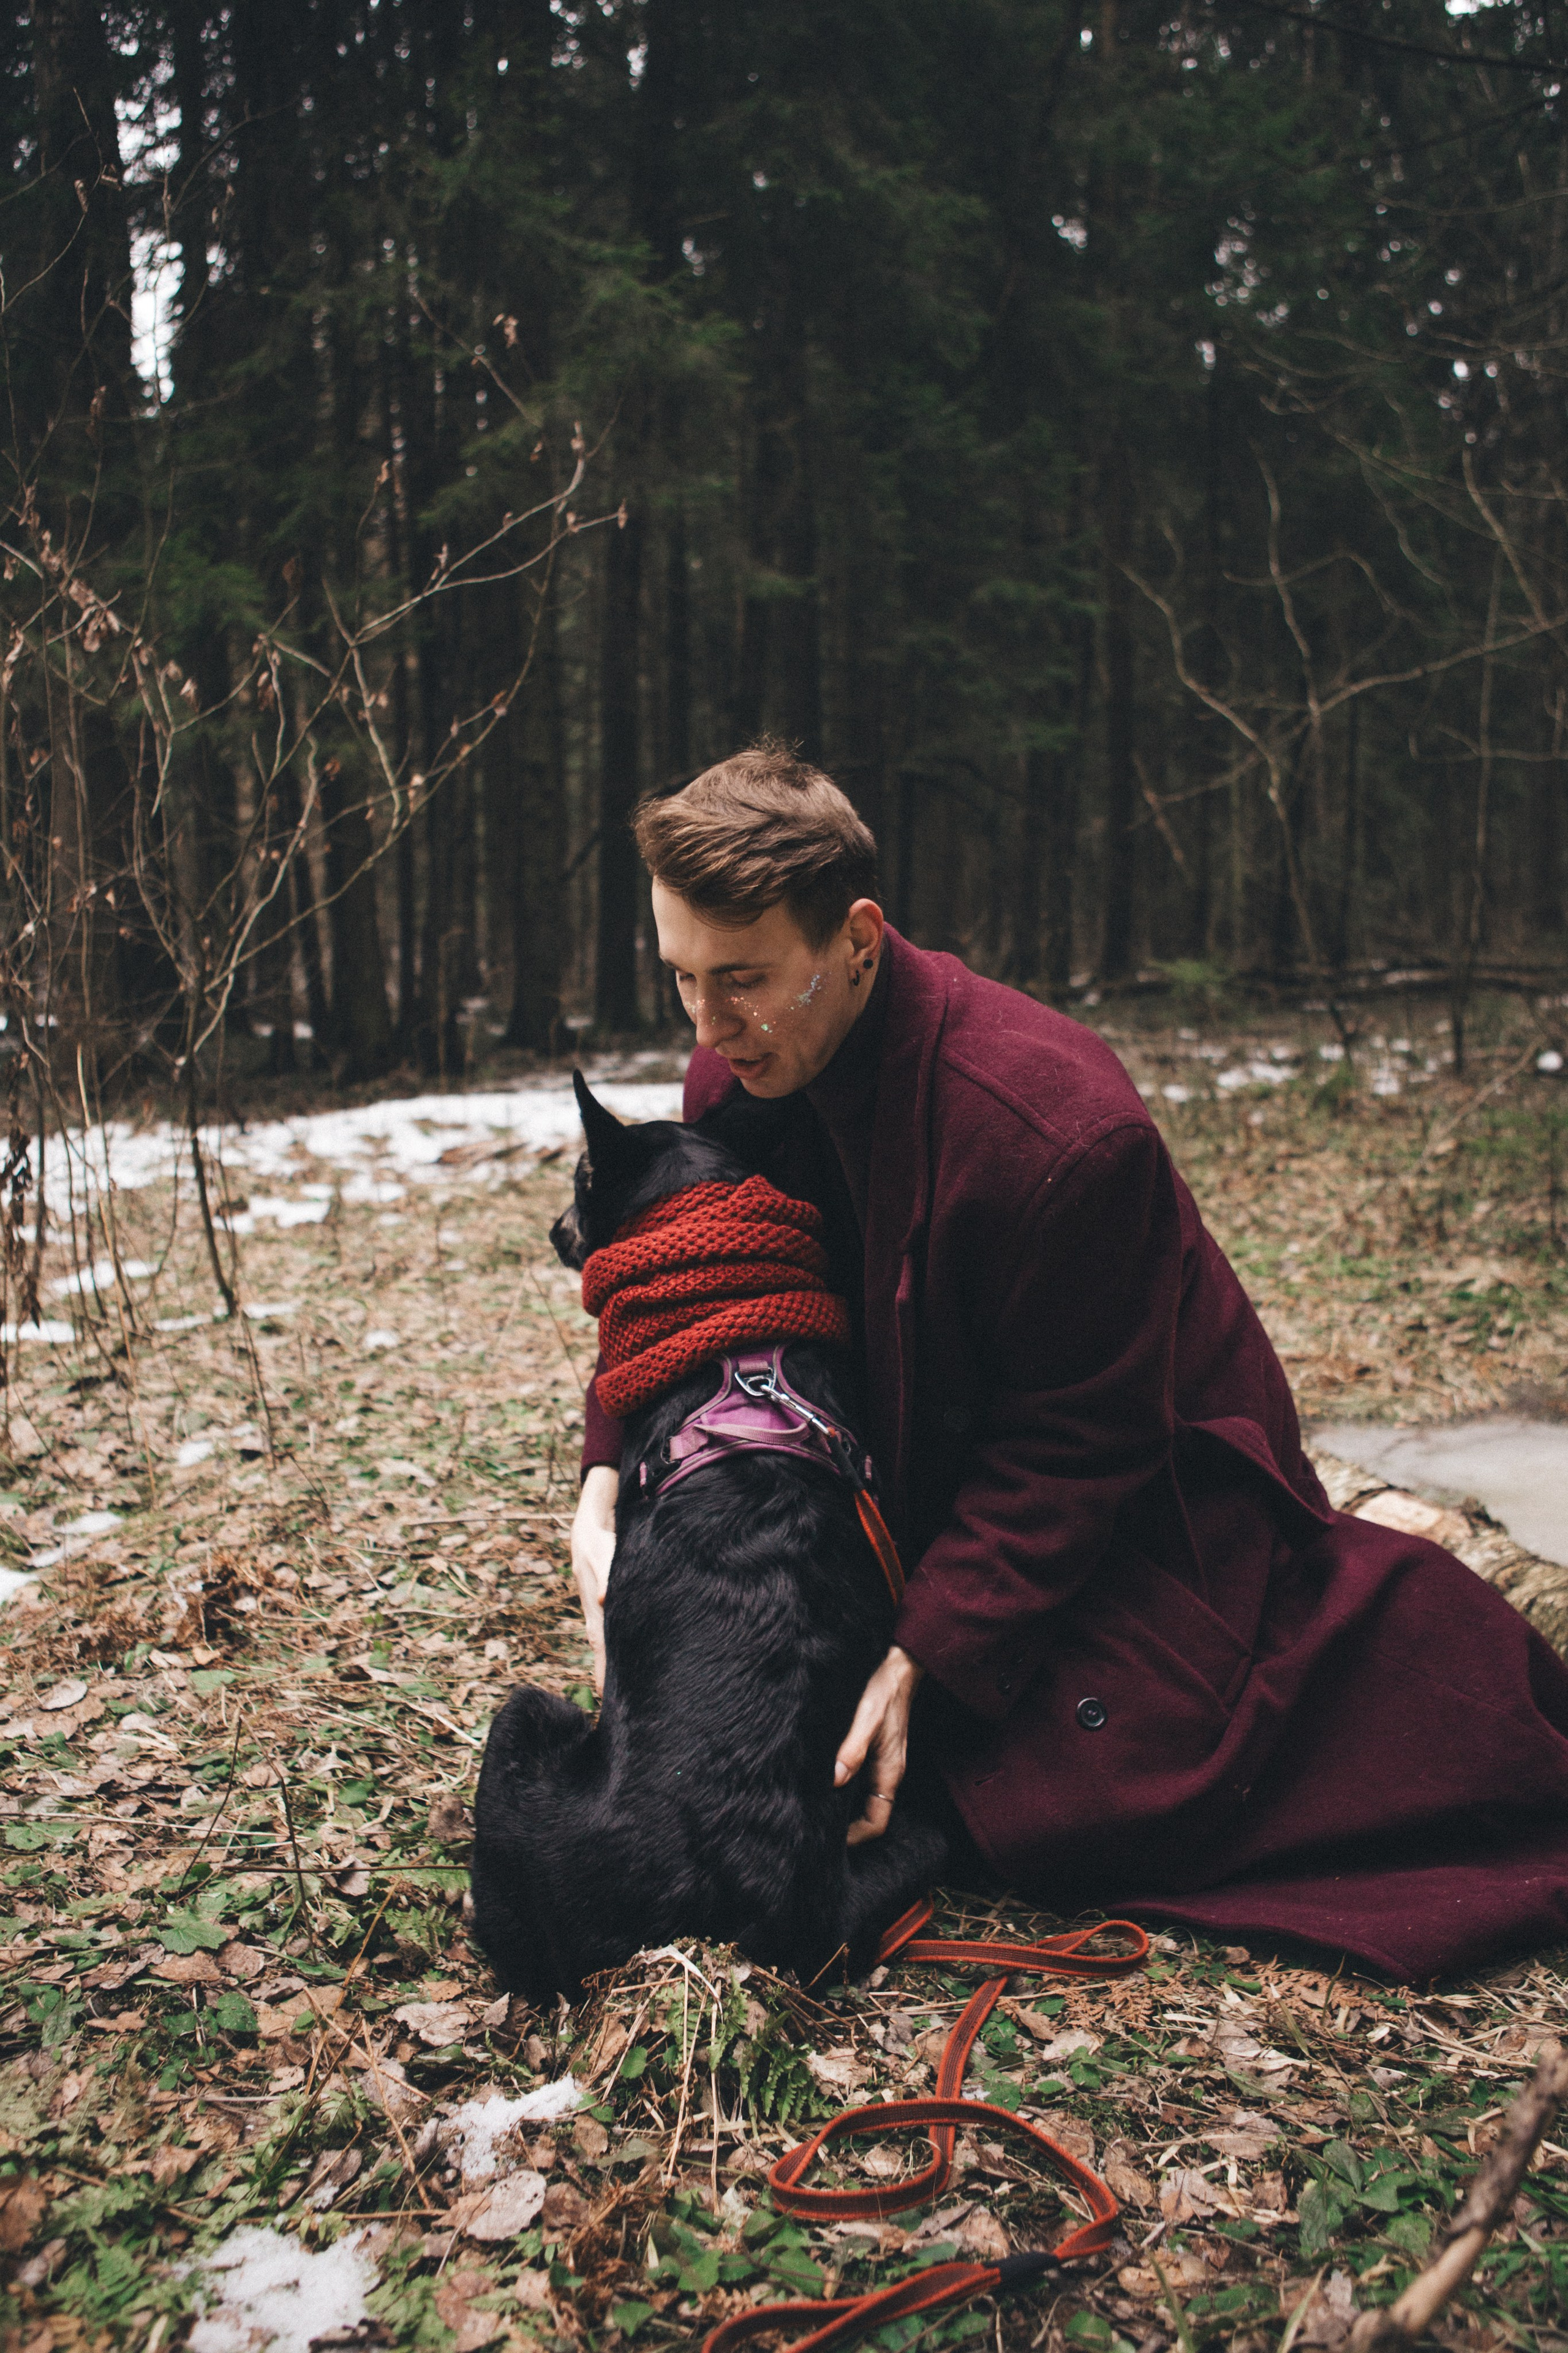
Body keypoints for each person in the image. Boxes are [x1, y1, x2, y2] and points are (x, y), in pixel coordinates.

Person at [573, 746, 1568, 1981]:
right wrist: (606, 1474)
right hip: (918, 1470)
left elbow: (1081, 1442)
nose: (709, 1025)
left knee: (1062, 1785)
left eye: (744, 980)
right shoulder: (736, 1066)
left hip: (1135, 1501)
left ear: (859, 940)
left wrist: (925, 1651)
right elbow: (704, 1279)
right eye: (681, 977)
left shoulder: (1054, 1130)